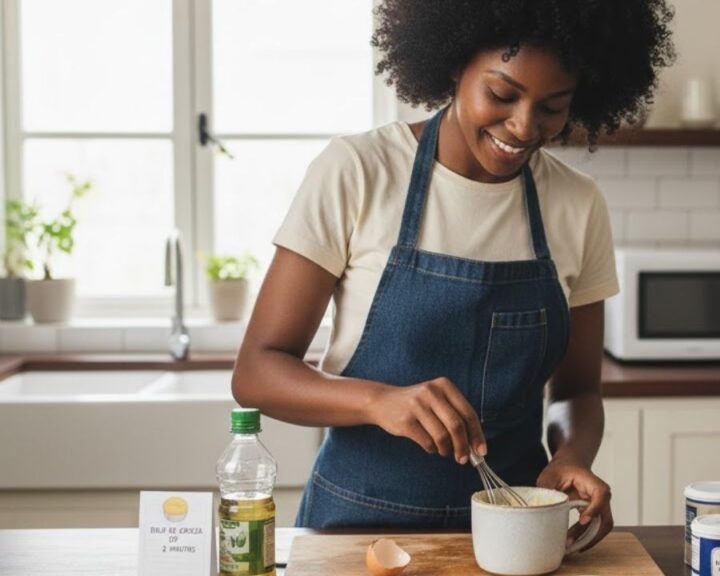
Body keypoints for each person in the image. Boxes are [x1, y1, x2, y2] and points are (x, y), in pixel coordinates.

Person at [232, 0, 674, 550]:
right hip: (355, 529)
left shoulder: (577, 203)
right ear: (453, 66)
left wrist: (572, 457)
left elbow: (578, 390)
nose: (524, 126)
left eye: (552, 107)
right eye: (502, 94)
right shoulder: (358, 171)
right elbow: (257, 372)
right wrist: (378, 401)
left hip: (515, 531)